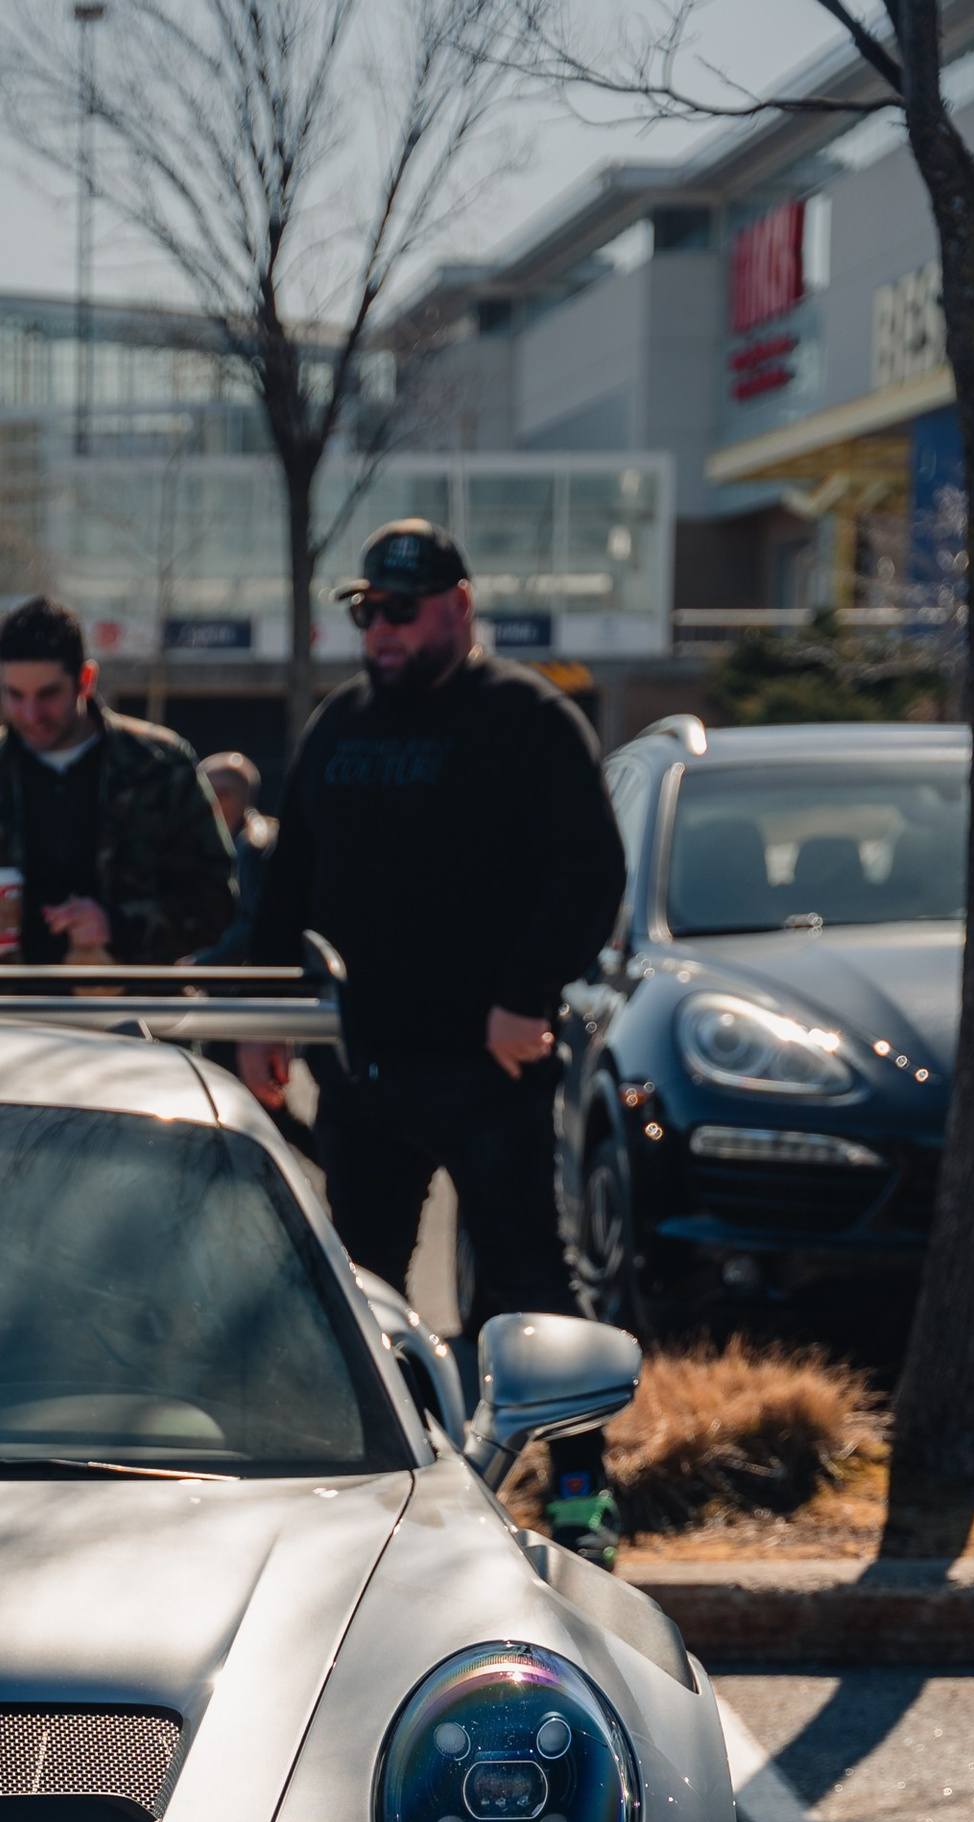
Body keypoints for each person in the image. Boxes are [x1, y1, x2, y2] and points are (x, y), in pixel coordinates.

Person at [237, 521, 629, 1562]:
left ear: (458, 606)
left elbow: (587, 874)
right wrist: (257, 1020)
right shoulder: (337, 728)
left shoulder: (527, 719)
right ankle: (382, 1499)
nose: (382, 633)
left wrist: (522, 994)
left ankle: (583, 1493)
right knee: (357, 1290)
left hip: (486, 1067)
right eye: (368, 614)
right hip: (359, 1071)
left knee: (526, 1287)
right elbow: (285, 893)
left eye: (401, 613)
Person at [0, 595, 234, 968]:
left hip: (135, 1007)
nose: (31, 714)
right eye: (14, 695)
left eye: (48, 694)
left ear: (85, 680)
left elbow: (218, 902)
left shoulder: (161, 764)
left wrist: (120, 926)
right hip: (8, 1012)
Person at [198, 750, 276, 961]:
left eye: (204, 793)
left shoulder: (252, 847)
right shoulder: (240, 840)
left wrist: (200, 962)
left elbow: (252, 923)